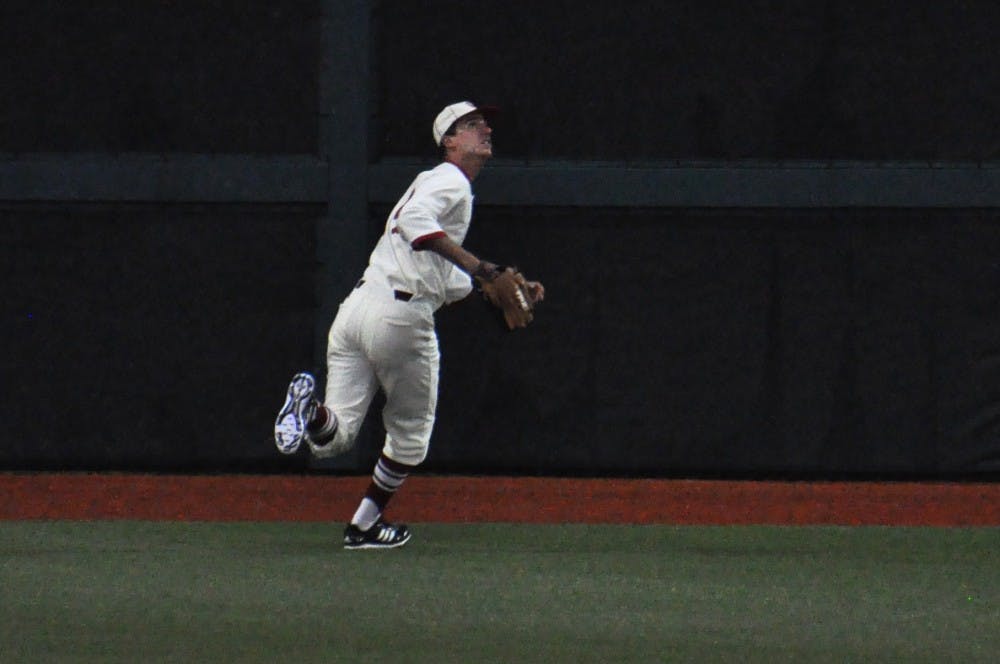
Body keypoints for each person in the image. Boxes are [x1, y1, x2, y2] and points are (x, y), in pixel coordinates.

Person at [273, 101, 544, 550]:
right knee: (411, 437)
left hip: (357, 309)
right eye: (471, 125)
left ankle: (309, 412)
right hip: (399, 317)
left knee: (333, 438)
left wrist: (491, 282)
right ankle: (361, 528)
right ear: (449, 141)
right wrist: (483, 269)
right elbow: (413, 224)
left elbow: (437, 269)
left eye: (484, 123)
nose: (485, 129)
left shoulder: (434, 184)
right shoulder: (450, 179)